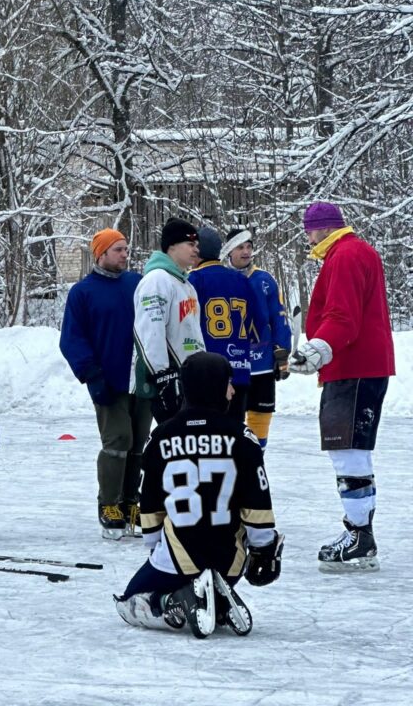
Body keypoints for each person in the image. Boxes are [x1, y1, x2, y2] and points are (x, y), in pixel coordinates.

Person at [114, 352, 283, 638]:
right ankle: (215, 600)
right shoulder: (243, 438)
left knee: (129, 601)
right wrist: (264, 548)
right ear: (215, 386)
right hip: (230, 561)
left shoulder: (160, 437)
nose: (233, 390)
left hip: (177, 558)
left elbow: (150, 502)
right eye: (228, 383)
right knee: (224, 555)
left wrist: (154, 545)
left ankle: (174, 601)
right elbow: (257, 502)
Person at [291, 202, 394, 573]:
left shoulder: (345, 255)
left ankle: (360, 535)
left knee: (348, 451)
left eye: (309, 231)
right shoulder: (356, 252)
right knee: (353, 450)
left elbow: (342, 316)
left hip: (352, 366)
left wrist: (318, 349)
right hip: (360, 365)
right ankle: (359, 530)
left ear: (321, 228)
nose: (308, 238)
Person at [60, 228, 151, 540]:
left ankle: (130, 501)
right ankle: (109, 503)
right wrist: (91, 373)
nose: (125, 254)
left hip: (141, 378)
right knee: (118, 440)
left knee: (138, 441)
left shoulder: (137, 283)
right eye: (118, 250)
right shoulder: (83, 292)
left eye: (126, 249)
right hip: (108, 380)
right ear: (100, 254)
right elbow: (72, 338)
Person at [221, 227, 293, 450]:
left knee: (261, 415)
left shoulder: (264, 279)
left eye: (249, 247)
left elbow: (279, 316)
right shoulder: (220, 279)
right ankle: (233, 463)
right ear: (228, 251)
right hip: (233, 364)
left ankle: (256, 459)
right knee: (230, 419)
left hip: (262, 363)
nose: (246, 252)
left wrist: (282, 352)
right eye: (240, 247)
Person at [188, 227, 268, 423]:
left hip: (207, 371)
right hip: (240, 368)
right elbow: (258, 322)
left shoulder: (194, 279)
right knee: (234, 430)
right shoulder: (241, 279)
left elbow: (187, 325)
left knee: (209, 432)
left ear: (197, 252)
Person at [130, 217, 205, 425]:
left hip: (188, 377)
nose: (196, 249)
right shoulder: (157, 280)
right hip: (168, 377)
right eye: (190, 244)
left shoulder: (186, 285)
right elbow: (150, 330)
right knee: (173, 437)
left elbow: (193, 333)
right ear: (172, 246)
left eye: (197, 245)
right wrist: (162, 375)